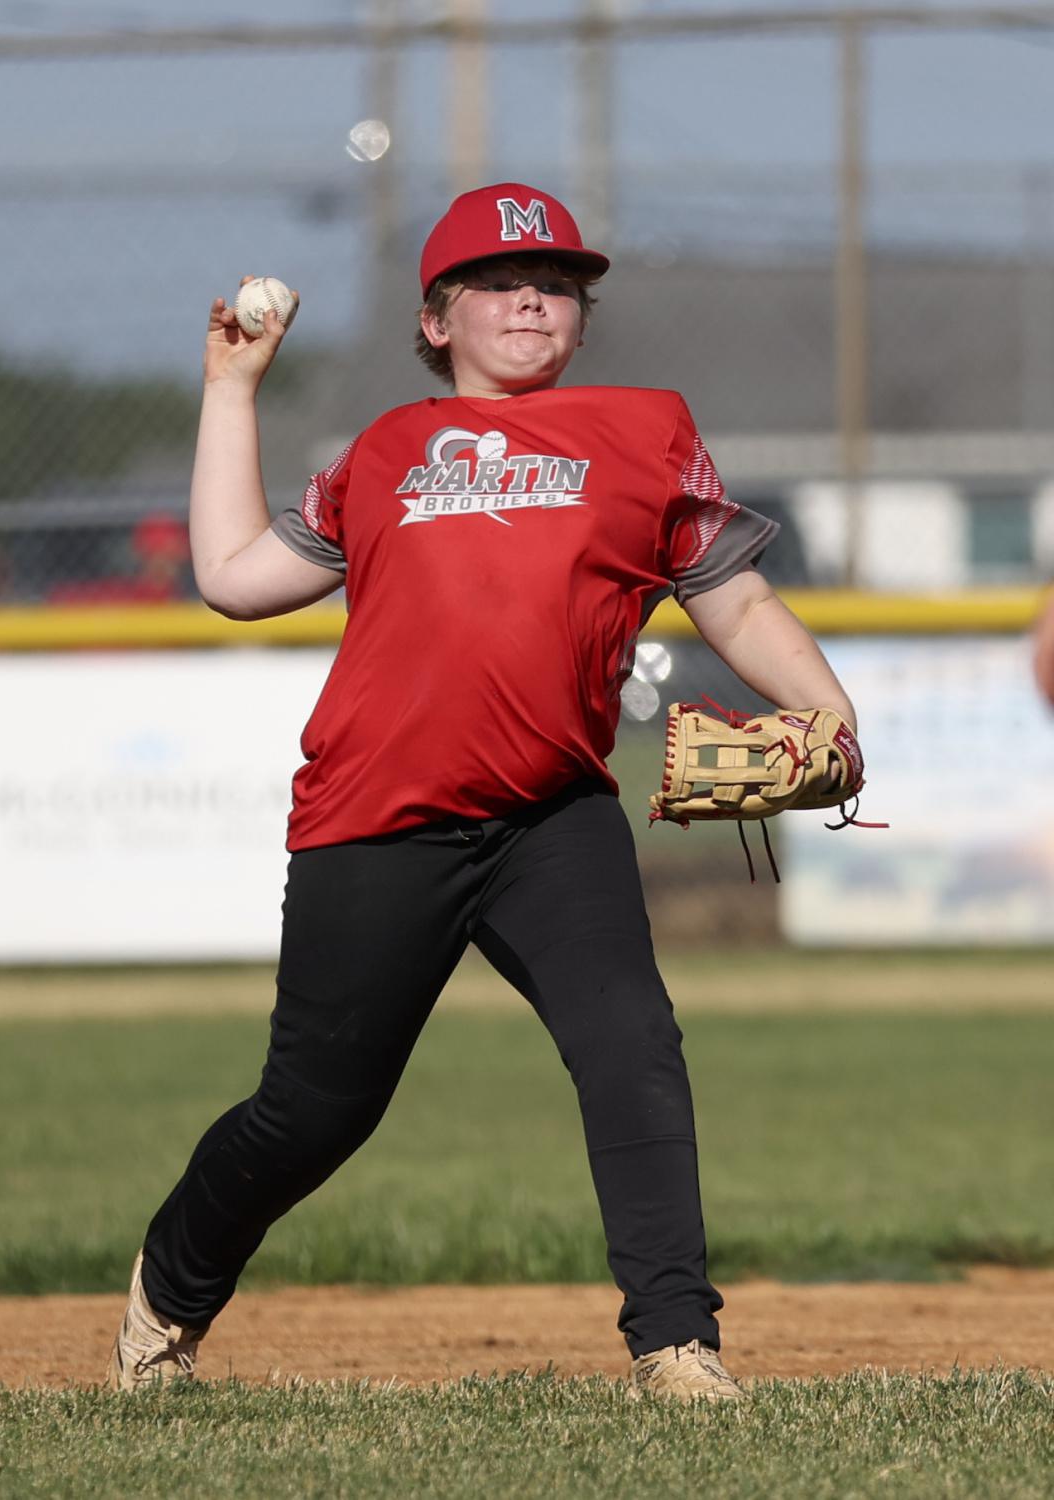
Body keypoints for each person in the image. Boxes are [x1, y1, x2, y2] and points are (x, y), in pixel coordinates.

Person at [108, 182, 860, 1403]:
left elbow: (741, 603)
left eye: (557, 283)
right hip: (375, 817)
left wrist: (832, 711)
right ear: (436, 318)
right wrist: (232, 391)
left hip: (551, 818)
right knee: (317, 1110)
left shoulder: (646, 429)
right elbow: (235, 579)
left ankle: (676, 1343)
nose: (532, 297)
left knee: (631, 1041)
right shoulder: (386, 451)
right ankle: (168, 1292)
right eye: (501, 282)